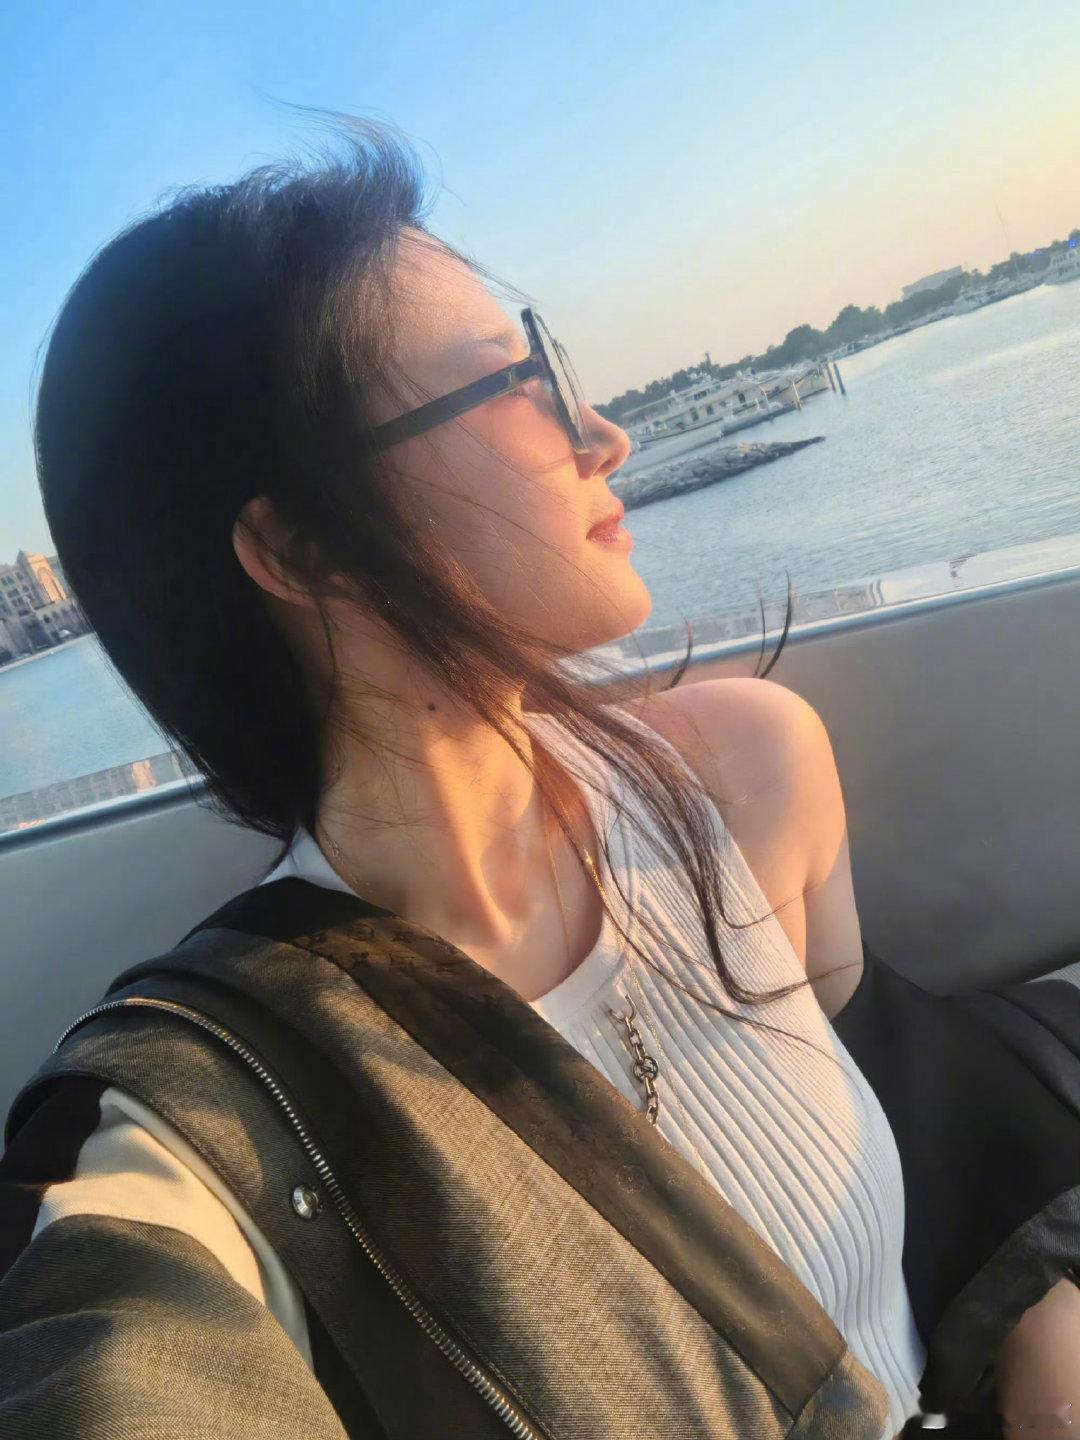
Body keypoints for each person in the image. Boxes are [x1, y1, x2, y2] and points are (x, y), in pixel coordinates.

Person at [1, 116, 1075, 1438]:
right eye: (516, 383)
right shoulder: (221, 1116)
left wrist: (1037, 1303)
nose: (604, 433)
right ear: (303, 547)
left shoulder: (745, 775)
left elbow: (900, 1093)